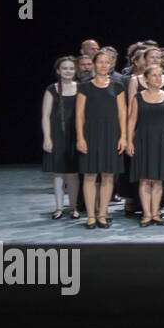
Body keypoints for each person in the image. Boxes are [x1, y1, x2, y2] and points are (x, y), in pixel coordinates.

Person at [75, 49, 127, 229]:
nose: (103, 65)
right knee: (90, 175)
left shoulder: (118, 86)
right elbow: (79, 115)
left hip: (112, 134)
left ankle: (103, 214)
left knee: (107, 175)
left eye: (107, 62)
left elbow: (122, 114)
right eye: (100, 62)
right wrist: (80, 138)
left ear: (111, 65)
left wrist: (124, 137)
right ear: (94, 65)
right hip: (90, 134)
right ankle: (90, 216)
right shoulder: (84, 87)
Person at [127, 64, 164, 226]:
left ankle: (156, 213)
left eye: (160, 75)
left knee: (158, 179)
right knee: (144, 179)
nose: (158, 78)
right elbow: (132, 120)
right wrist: (129, 141)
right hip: (143, 140)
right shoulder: (138, 97)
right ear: (146, 79)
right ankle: (146, 214)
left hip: (162, 141)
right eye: (154, 75)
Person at [41, 56, 80, 219]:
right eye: (64, 68)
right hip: (58, 135)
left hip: (76, 135)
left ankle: (73, 207)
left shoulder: (81, 88)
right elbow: (46, 115)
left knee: (73, 174)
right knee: (58, 174)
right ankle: (58, 207)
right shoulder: (52, 89)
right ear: (58, 71)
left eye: (71, 68)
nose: (68, 71)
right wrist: (47, 138)